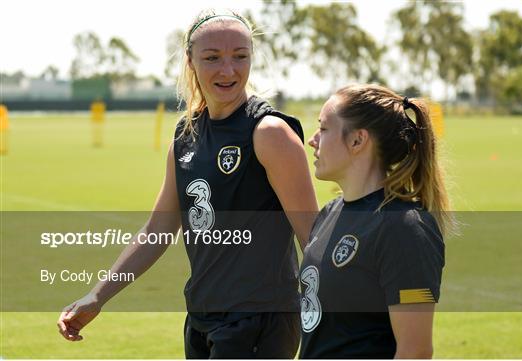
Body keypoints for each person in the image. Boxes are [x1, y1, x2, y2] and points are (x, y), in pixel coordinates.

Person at [57, 9, 319, 359]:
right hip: (201, 317)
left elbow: (313, 238)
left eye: (240, 57)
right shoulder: (186, 134)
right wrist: (98, 295)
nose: (228, 70)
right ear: (190, 61)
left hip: (260, 320)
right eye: (212, 58)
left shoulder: (269, 133)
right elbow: (158, 228)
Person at [300, 84, 453, 359]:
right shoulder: (329, 214)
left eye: (323, 129)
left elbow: (415, 352)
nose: (313, 140)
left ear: (357, 141)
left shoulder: (403, 227)